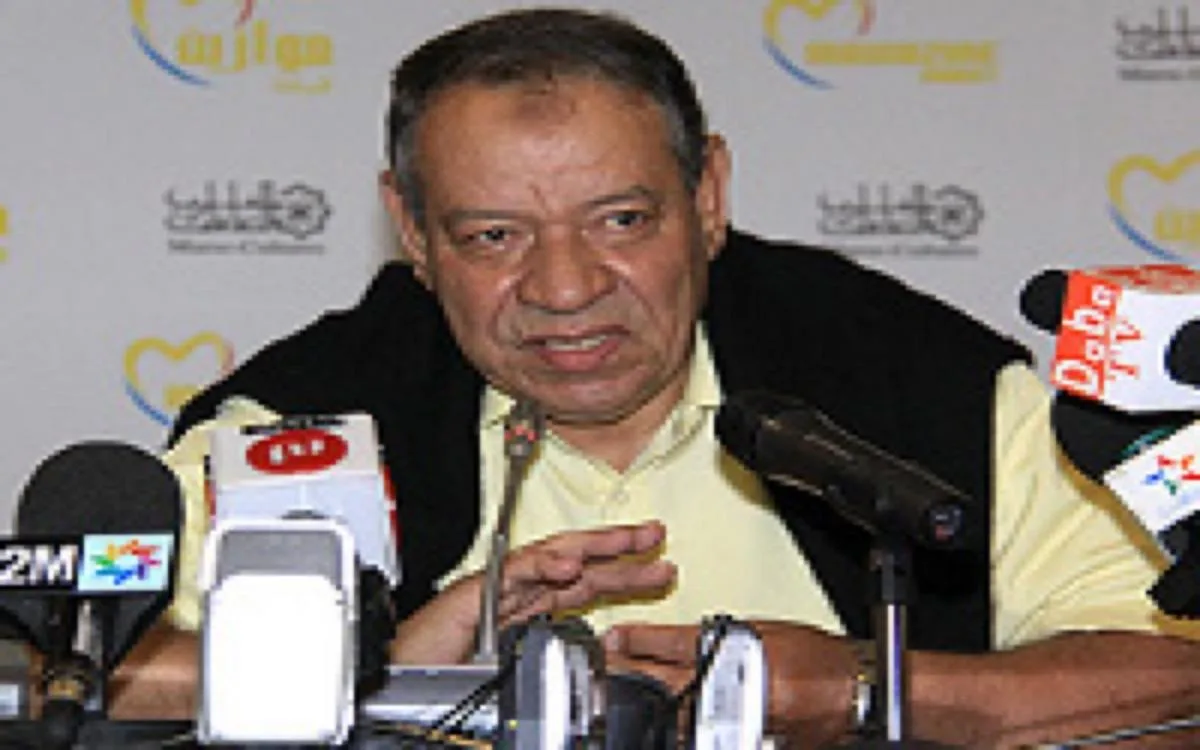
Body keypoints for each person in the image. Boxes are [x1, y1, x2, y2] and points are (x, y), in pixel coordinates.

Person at [111, 7, 1200, 748]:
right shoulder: (304, 418)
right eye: (493, 236)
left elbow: (1170, 675)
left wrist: (869, 693)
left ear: (708, 195)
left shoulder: (916, 382)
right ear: (413, 232)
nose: (566, 288)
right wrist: (388, 672)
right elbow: (90, 677)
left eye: (622, 221)